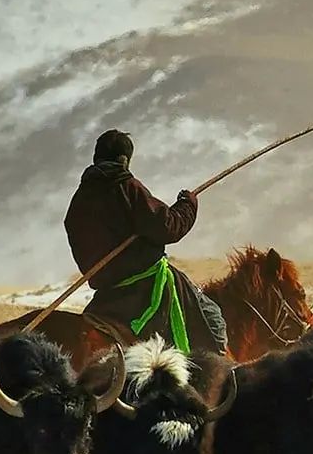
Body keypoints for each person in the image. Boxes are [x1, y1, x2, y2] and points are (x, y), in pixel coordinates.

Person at [64, 129, 228, 355]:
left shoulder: (78, 200)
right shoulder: (126, 187)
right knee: (213, 320)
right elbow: (168, 227)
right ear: (124, 160)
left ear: (96, 157)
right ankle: (206, 378)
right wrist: (187, 203)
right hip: (145, 286)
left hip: (107, 291)